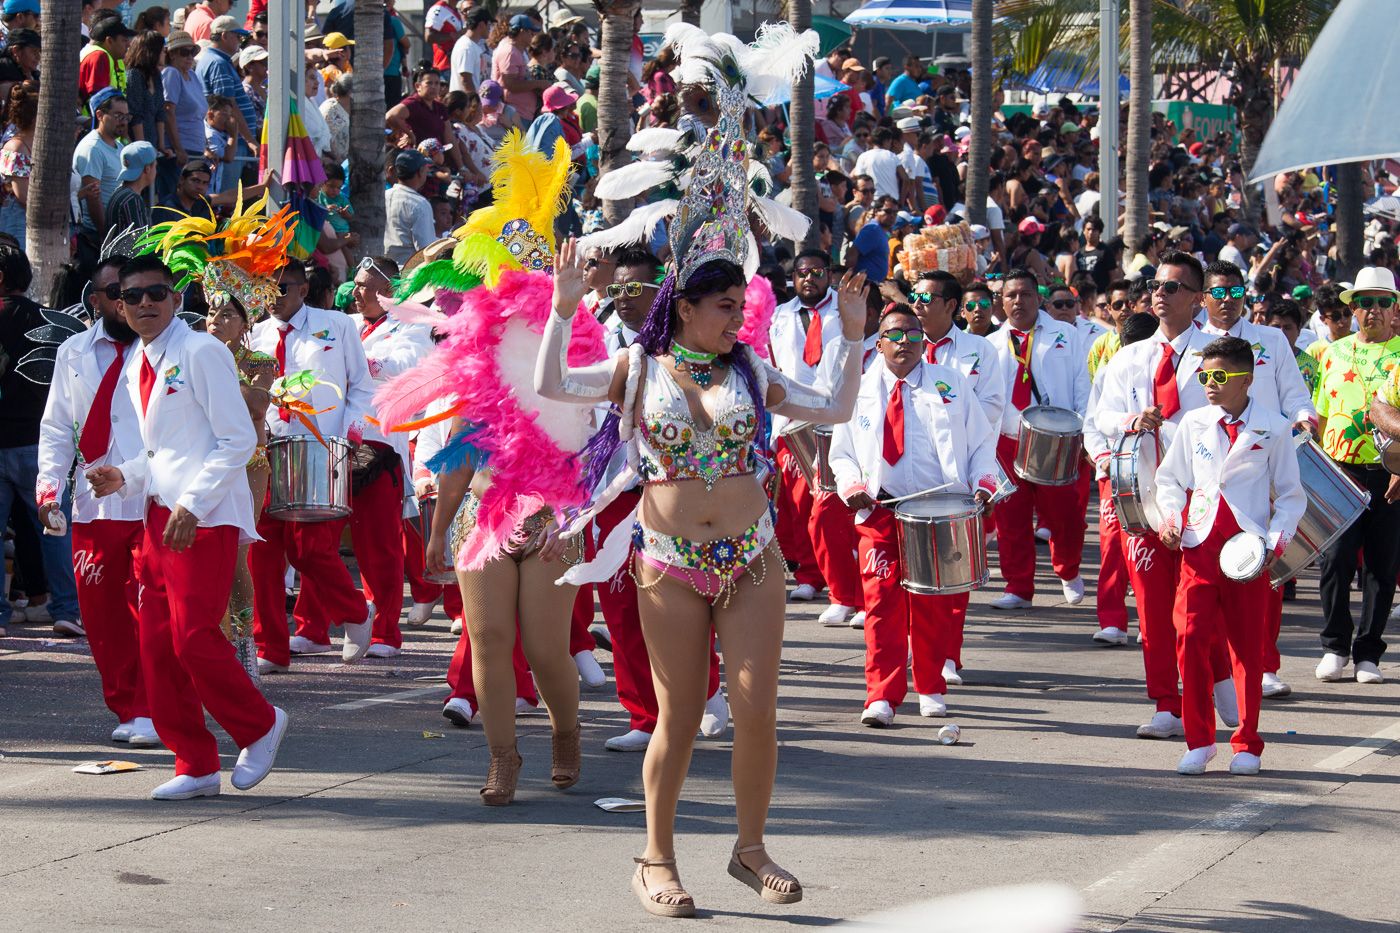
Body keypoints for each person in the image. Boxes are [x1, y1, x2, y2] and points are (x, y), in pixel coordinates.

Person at [85, 253, 287, 801]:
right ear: (119, 305)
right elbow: (161, 451)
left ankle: (260, 723)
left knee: (195, 636)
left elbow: (236, 440)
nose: (145, 303)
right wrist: (121, 476)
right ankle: (194, 761)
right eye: (133, 296)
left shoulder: (201, 350)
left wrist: (193, 504)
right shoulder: (136, 361)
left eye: (156, 293)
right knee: (155, 643)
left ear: (176, 298)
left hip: (204, 516)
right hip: (157, 514)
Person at [1092, 252, 1240, 738]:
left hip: (1202, 498)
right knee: (1155, 608)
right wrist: (1131, 422)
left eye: (1174, 287)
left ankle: (1218, 679)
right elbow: (1098, 419)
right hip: (1144, 498)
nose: (1161, 293)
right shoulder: (1129, 357)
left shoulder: (1217, 355)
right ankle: (1166, 704)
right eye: (1157, 285)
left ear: (1198, 298)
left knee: (1201, 606)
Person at [830, 305, 999, 724]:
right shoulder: (859, 388)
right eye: (893, 334)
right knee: (881, 604)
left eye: (911, 334)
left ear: (923, 340)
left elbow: (980, 444)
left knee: (931, 605)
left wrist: (984, 482)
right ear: (879, 342)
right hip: (881, 511)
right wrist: (851, 485)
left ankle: (929, 685)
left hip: (938, 514)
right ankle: (881, 696)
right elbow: (842, 454)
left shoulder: (951, 383)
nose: (903, 342)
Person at [1154, 336, 1305, 775]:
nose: (1209, 384)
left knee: (1246, 648)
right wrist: (1169, 518)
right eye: (1204, 376)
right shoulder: (1194, 421)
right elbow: (1169, 480)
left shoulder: (1273, 426)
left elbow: (1292, 496)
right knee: (1191, 639)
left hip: (1247, 552)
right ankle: (1199, 741)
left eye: (1219, 376)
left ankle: (1247, 743)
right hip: (1199, 545)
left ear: (1247, 379)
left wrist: (1275, 542)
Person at [35, 256, 154, 744]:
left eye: (139, 294)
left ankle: (156, 706)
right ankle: (128, 708)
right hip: (93, 503)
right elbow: (58, 425)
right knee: (103, 614)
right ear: (99, 300)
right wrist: (48, 487)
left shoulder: (167, 350)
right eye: (118, 295)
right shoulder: (74, 352)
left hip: (154, 499)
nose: (131, 304)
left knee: (152, 610)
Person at [249, 259, 376, 672]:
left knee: (310, 551)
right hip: (265, 451)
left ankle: (356, 613)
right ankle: (270, 646)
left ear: (303, 289)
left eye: (282, 289)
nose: (273, 298)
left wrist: (352, 434)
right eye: (266, 289)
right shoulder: (255, 332)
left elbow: (360, 386)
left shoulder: (336, 325)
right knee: (262, 552)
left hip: (322, 449)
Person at [1311, 267, 1400, 685]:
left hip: (1390, 471)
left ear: (1394, 308)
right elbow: (1322, 416)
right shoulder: (1331, 353)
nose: (1374, 310)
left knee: (1381, 566)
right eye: (1366, 302)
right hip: (1340, 471)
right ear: (1354, 309)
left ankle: (1368, 654)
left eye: (1383, 302)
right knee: (1336, 559)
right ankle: (1334, 647)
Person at [769, 249, 865, 626]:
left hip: (837, 419)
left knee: (829, 506)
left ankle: (847, 587)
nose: (809, 278)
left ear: (829, 274)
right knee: (797, 505)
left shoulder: (845, 309)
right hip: (792, 421)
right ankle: (811, 576)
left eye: (817, 272)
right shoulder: (779, 315)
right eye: (801, 273)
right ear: (793, 279)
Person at [988, 268, 1090, 610]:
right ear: (1001, 302)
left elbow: (1081, 383)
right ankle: (1018, 586)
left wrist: (1084, 432)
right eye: (1011, 295)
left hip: (1055, 439)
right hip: (1008, 439)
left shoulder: (1065, 334)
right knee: (1010, 519)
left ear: (1038, 298)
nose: (1018, 301)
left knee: (1065, 516)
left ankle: (1068, 568)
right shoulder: (990, 344)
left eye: (1025, 294)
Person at [346, 255, 433, 657]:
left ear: (389, 290)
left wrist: (355, 361)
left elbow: (404, 366)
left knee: (379, 542)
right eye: (356, 283)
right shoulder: (344, 325)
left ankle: (384, 632)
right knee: (314, 538)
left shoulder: (411, 324)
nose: (357, 291)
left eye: (366, 284)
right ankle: (317, 625)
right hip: (333, 439)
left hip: (378, 445)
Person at [204, 294, 276, 681]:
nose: (216, 319)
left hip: (248, 464)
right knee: (206, 555)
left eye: (228, 313)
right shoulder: (194, 354)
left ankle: (245, 642)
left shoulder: (259, 362)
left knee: (235, 555)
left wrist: (222, 367)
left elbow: (258, 406)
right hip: (206, 463)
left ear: (245, 324)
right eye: (212, 311)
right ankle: (215, 641)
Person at [194, 15, 257, 156]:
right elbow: (228, 105)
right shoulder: (218, 63)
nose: (240, 41)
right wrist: (250, 140)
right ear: (225, 35)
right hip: (231, 142)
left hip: (231, 141)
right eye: (237, 36)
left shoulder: (214, 60)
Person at [73, 91, 129, 244]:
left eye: (126, 117)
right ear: (99, 115)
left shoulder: (119, 145)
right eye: (118, 116)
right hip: (97, 236)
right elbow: (93, 196)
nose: (123, 121)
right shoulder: (93, 148)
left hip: (116, 232)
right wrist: (106, 235)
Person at [159, 30, 205, 198]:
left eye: (192, 52)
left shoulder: (192, 75)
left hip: (195, 150)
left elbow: (199, 115)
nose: (189, 56)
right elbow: (168, 111)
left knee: (192, 202)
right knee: (177, 201)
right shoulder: (171, 73)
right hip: (180, 152)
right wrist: (178, 148)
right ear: (171, 54)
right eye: (184, 52)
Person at [384, 150, 436, 265]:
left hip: (381, 269)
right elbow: (425, 250)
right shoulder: (419, 204)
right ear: (420, 172)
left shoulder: (383, 196)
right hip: (407, 273)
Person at [492, 14, 547, 123]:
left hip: (521, 113)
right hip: (516, 114)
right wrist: (539, 84)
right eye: (531, 33)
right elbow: (510, 84)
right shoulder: (509, 52)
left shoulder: (515, 49)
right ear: (522, 31)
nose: (533, 36)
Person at [104, 141, 157, 236]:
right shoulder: (132, 199)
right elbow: (142, 244)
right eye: (155, 166)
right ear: (147, 169)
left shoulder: (119, 192)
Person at [79, 15, 133, 103]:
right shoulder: (98, 56)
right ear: (109, 41)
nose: (128, 45)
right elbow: (98, 98)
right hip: (94, 116)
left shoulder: (105, 55)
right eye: (124, 40)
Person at [449, 7, 491, 94]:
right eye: (489, 24)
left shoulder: (472, 45)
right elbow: (465, 80)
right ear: (482, 25)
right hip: (465, 105)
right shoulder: (466, 47)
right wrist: (474, 104)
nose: (490, 28)